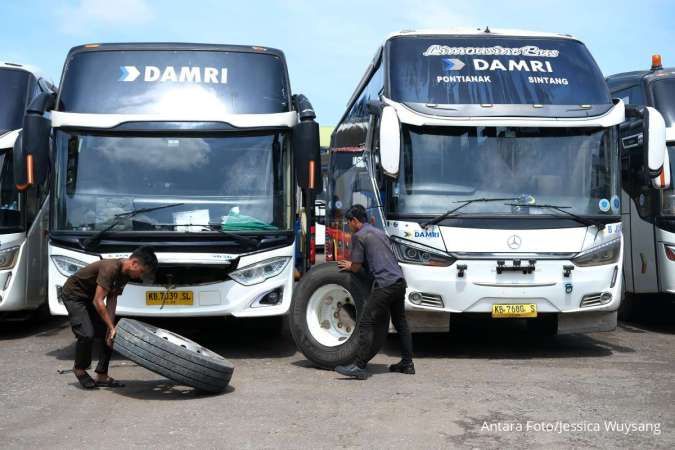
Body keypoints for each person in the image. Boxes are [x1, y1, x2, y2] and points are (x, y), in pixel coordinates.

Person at [61, 246, 158, 389]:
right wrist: (110, 326)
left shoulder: (125, 275)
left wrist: (111, 328)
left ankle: (102, 375)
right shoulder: (110, 268)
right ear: (134, 263)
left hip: (90, 298)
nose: (140, 276)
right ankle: (79, 369)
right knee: (87, 334)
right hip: (74, 296)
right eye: (142, 272)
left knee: (111, 335)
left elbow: (112, 300)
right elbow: (98, 301)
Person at [335, 204, 414, 380]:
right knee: (401, 323)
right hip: (399, 282)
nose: (349, 226)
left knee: (365, 322)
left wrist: (349, 264)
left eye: (349, 222)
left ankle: (359, 366)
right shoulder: (378, 232)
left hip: (385, 284)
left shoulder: (359, 236)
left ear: (355, 221)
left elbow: (355, 267)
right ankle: (407, 364)